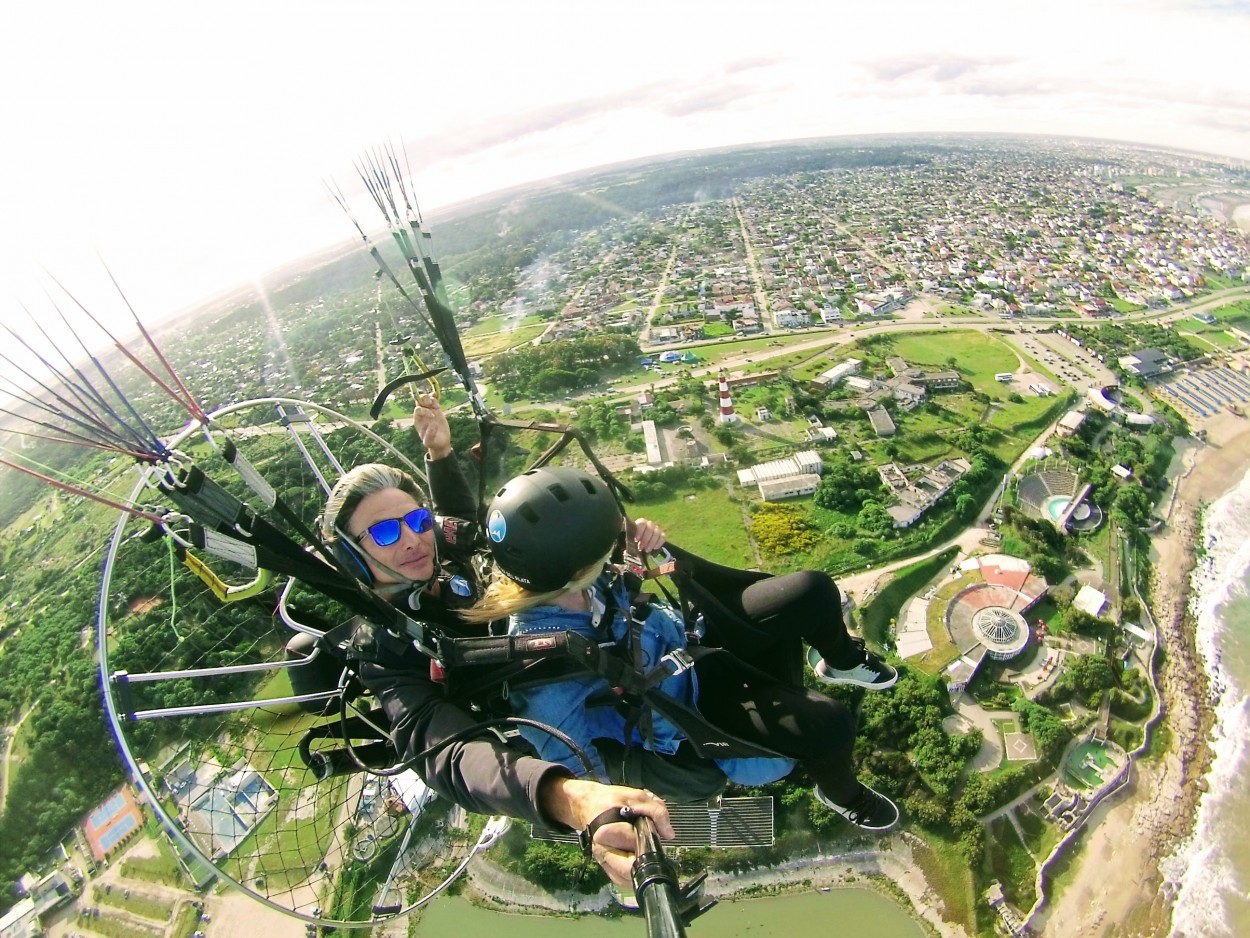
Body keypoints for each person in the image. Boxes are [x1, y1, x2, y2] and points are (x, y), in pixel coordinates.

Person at [319, 397, 673, 889]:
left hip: (592, 653)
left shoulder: (448, 555)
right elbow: (442, 749)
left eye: (416, 521)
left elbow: (460, 518)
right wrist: (563, 796)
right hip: (546, 726)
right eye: (383, 532)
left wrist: (440, 455)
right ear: (352, 555)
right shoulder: (385, 649)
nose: (412, 540)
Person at [459, 461, 901, 831]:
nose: (615, 551)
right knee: (830, 724)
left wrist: (638, 540)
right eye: (606, 549)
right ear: (573, 568)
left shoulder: (564, 574)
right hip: (690, 708)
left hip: (691, 639)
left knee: (814, 591)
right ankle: (842, 794)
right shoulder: (545, 663)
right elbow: (571, 762)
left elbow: (622, 567)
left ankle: (841, 661)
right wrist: (612, 821)